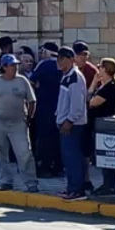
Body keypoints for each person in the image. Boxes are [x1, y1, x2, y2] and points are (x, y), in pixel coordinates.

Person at [0, 54, 38, 192]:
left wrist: (29, 118)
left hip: (18, 122)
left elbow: (32, 101)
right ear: (4, 67)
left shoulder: (22, 81)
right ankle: (5, 181)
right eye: (12, 65)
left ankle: (31, 182)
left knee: (24, 153)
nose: (15, 68)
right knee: (1, 153)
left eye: (16, 65)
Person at [55, 46, 89, 201]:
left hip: (72, 125)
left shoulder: (75, 77)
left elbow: (77, 104)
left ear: (70, 59)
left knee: (73, 157)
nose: (59, 61)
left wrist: (69, 120)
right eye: (58, 58)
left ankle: (77, 190)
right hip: (66, 122)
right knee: (68, 158)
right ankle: (72, 187)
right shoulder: (67, 76)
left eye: (62, 58)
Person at [87, 58, 115, 196]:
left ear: (105, 69)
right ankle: (107, 184)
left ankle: (109, 186)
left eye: (100, 67)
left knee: (107, 156)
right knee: (103, 156)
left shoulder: (111, 87)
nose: (98, 69)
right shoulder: (106, 85)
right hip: (100, 125)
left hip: (105, 126)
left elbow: (92, 102)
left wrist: (92, 85)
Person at [31, 42, 65, 178]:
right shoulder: (63, 65)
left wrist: (38, 87)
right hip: (60, 106)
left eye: (42, 51)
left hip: (44, 106)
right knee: (58, 138)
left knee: (44, 138)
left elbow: (32, 80)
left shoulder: (44, 64)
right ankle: (59, 166)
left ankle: (45, 167)